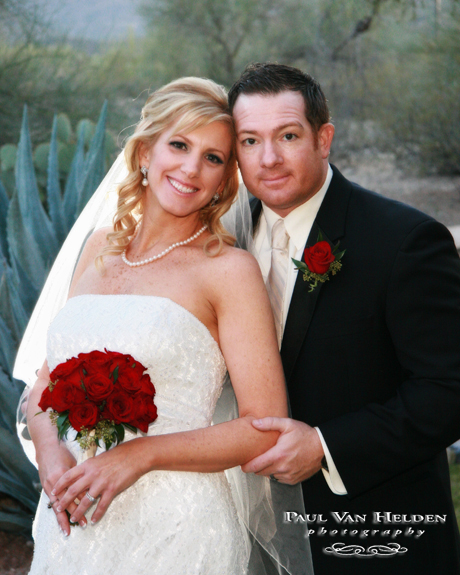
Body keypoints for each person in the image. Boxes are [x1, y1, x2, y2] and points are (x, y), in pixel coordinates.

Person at [15, 77, 312, 575]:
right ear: (145, 152)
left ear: (225, 180)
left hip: (177, 524)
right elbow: (48, 381)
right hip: (73, 514)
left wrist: (141, 455)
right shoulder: (99, 247)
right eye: (179, 144)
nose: (192, 168)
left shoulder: (228, 270)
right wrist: (50, 456)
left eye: (213, 158)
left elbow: (263, 427)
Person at [228, 62, 460, 574]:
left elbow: (447, 390)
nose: (268, 158)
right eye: (249, 140)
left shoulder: (404, 241)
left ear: (323, 138)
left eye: (287, 135)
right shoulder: (224, 240)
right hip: (247, 535)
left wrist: (324, 446)